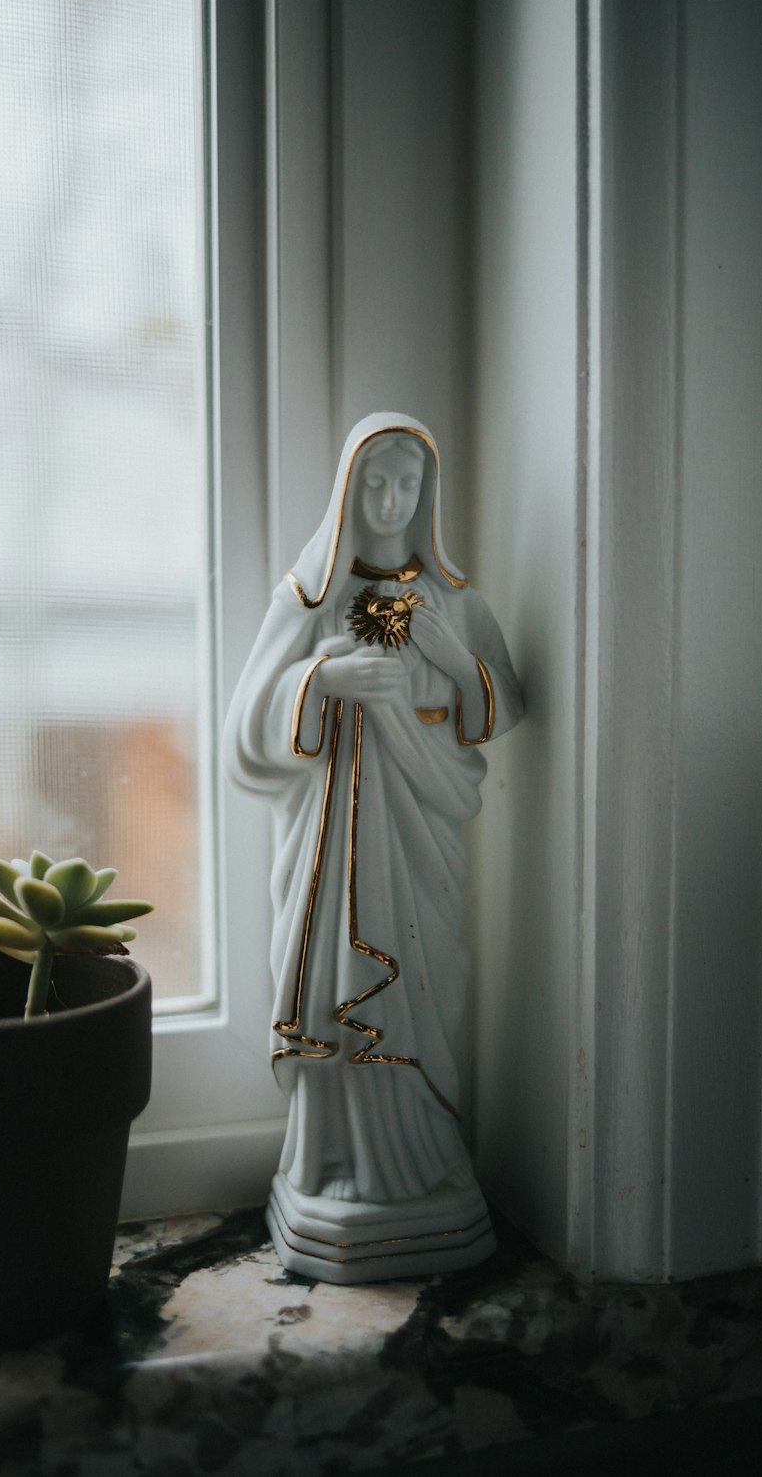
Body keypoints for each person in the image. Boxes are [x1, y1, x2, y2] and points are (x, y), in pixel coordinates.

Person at [223, 413, 523, 1281]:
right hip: (331, 845)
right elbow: (247, 732)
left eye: (408, 485)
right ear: (349, 490)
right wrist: (321, 679)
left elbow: (508, 698)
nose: (392, 501)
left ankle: (424, 1162)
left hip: (421, 834)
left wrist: (451, 660)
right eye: (376, 484)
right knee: (337, 990)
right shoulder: (309, 600)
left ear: (429, 494)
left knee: (423, 985)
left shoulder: (455, 600)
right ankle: (332, 1167)